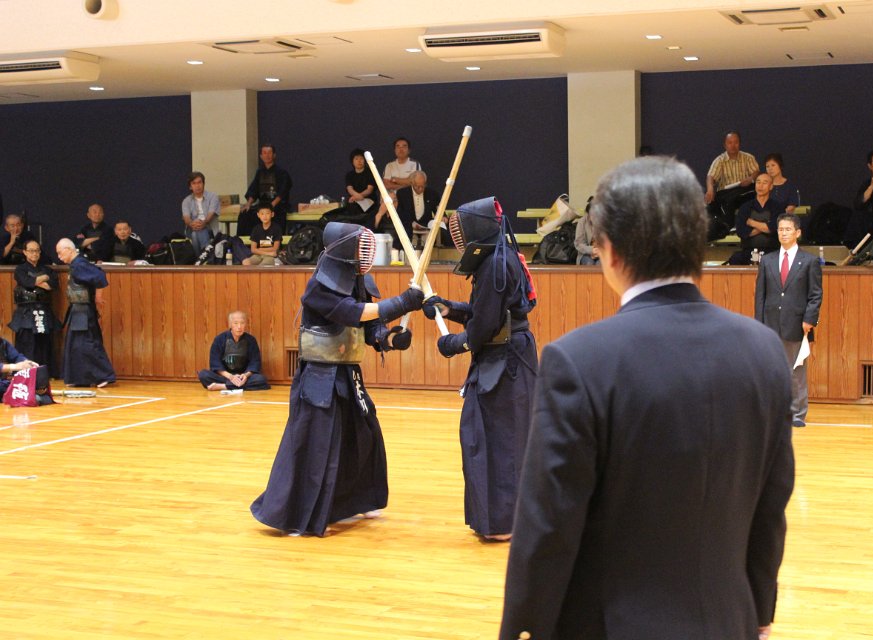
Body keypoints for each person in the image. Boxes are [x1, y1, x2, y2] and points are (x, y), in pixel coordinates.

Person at [499, 156, 795, 640]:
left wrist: (524, 630)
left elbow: (548, 527)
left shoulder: (579, 361)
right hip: (729, 621)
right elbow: (770, 503)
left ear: (611, 250)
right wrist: (759, 612)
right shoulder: (764, 352)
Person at [250, 222, 423, 536]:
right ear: (345, 249)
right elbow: (350, 312)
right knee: (316, 446)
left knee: (364, 435)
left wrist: (389, 339)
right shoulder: (318, 287)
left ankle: (355, 501)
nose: (365, 252)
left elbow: (370, 328)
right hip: (320, 377)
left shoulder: (359, 280)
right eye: (360, 246)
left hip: (348, 373)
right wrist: (401, 303)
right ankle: (300, 517)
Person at [422, 197, 538, 541]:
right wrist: (449, 308)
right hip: (507, 356)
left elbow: (485, 326)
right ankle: (505, 519)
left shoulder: (496, 265)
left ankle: (503, 522)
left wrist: (455, 343)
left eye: (461, 230)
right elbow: (487, 311)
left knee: (499, 439)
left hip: (506, 363)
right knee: (497, 436)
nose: (458, 237)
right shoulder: (499, 257)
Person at [755, 212, 823, 428]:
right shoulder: (767, 260)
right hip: (770, 323)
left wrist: (809, 320)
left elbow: (815, 295)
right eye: (781, 229)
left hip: (797, 324)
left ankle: (797, 414)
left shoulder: (810, 261)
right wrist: (759, 325)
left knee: (796, 371)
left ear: (797, 232)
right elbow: (760, 296)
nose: (784, 233)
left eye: (788, 229)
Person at [56, 238, 116, 388]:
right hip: (77, 310)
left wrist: (98, 297)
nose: (59, 257)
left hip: (83, 311)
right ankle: (79, 378)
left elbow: (100, 276)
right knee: (75, 345)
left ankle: (104, 375)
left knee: (87, 343)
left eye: (60, 252)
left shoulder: (80, 264)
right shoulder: (75, 264)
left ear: (69, 249)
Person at [9, 239, 60, 374]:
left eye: (37, 250)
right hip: (26, 312)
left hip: (43, 309)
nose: (35, 253)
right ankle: (25, 373)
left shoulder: (47, 269)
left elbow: (52, 286)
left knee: (44, 343)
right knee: (27, 342)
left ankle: (44, 373)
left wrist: (36, 281)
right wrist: (43, 278)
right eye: (31, 251)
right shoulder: (20, 269)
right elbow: (27, 282)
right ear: (25, 252)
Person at [703, 130, 760, 237]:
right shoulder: (720, 160)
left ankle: (728, 227)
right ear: (725, 145)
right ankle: (715, 231)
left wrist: (750, 179)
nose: (733, 145)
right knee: (712, 203)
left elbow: (756, 172)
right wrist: (710, 189)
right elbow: (711, 176)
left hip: (744, 191)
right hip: (726, 193)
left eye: (736, 142)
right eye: (730, 143)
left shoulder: (748, 158)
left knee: (741, 196)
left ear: (739, 143)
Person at [197, 311, 270, 391]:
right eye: (236, 323)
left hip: (243, 377)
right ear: (230, 324)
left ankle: (224, 387)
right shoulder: (219, 339)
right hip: (225, 376)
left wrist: (245, 375)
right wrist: (230, 377)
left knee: (261, 379)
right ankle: (236, 386)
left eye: (242, 323)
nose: (239, 327)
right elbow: (215, 362)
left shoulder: (251, 340)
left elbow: (255, 362)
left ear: (245, 324)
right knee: (203, 374)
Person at [241, 144, 292, 235]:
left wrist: (271, 205)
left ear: (274, 155)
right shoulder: (259, 172)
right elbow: (254, 189)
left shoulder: (282, 172)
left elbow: (283, 191)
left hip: (277, 206)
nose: (267, 155)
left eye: (269, 153)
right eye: (264, 153)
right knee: (245, 214)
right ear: (261, 156)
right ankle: (247, 241)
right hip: (263, 204)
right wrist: (248, 204)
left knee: (273, 214)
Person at [736, 172, 786, 260]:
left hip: (773, 252)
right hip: (748, 251)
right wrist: (765, 224)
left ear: (771, 186)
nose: (760, 186)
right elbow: (741, 232)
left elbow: (774, 228)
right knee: (735, 259)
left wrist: (752, 222)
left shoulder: (778, 207)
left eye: (764, 183)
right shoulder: (745, 207)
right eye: (758, 182)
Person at [395, 170, 440, 249]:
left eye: (423, 186)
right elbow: (400, 213)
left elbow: (438, 210)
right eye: (417, 186)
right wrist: (411, 223)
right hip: (408, 225)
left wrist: (443, 217)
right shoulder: (402, 193)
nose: (420, 189)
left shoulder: (432, 194)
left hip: (426, 225)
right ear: (412, 183)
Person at [181, 171, 221, 255]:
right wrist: (192, 223)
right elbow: (186, 218)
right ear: (190, 187)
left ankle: (200, 258)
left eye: (199, 182)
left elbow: (211, 214)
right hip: (192, 228)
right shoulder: (186, 201)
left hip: (210, 228)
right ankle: (206, 255)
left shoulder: (213, 197)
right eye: (194, 183)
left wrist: (204, 222)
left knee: (196, 234)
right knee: (196, 232)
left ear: (203, 184)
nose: (197, 186)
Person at [344, 148, 379, 229]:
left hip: (369, 200)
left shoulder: (370, 172)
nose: (359, 161)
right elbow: (350, 189)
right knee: (350, 206)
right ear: (352, 161)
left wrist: (359, 196)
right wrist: (357, 196)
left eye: (361, 158)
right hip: (355, 200)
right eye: (356, 159)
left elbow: (369, 189)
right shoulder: (349, 175)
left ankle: (365, 228)